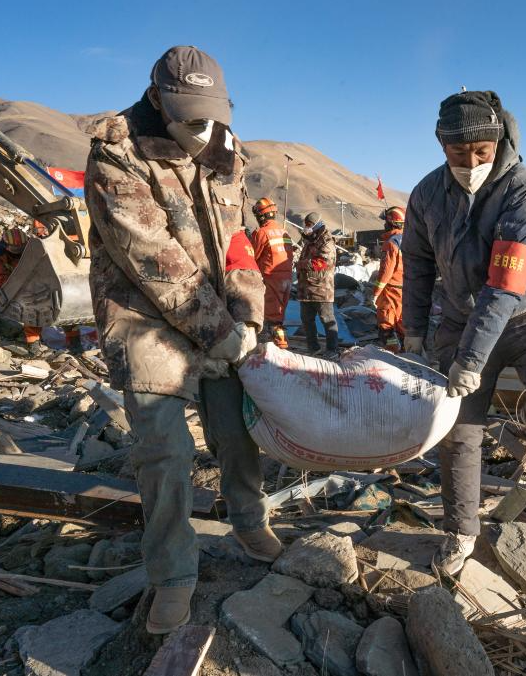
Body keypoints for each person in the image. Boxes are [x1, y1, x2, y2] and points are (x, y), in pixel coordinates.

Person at [84, 45, 282, 635]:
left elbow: (238, 243)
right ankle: (172, 573)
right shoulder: (116, 154)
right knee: (164, 452)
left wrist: (247, 315)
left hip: (218, 311)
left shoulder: (226, 149)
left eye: (211, 114)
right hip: (143, 316)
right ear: (157, 99)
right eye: (189, 116)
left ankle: (249, 520)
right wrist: (219, 332)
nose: (202, 129)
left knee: (237, 428)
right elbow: (151, 258)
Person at [402, 91, 526, 575]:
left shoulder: (523, 187)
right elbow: (417, 268)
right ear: (442, 147)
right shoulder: (425, 194)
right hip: (460, 319)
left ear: (498, 139)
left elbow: (506, 282)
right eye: (458, 154)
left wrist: (472, 360)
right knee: (459, 430)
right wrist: (415, 333)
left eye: (481, 151)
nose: (471, 162)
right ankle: (460, 531)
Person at [250, 197, 294, 349]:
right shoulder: (284, 232)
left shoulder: (261, 233)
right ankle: (277, 346)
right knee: (279, 315)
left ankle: (278, 350)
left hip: (271, 278)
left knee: (271, 316)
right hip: (287, 279)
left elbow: (252, 256)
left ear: (261, 216)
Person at [296, 212, 338, 357]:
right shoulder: (309, 240)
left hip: (321, 289)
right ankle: (313, 348)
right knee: (307, 321)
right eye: (306, 225)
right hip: (305, 289)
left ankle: (332, 350)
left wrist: (301, 264)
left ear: (317, 225)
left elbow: (323, 263)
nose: (306, 228)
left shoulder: (326, 241)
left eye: (309, 225)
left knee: (327, 320)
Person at [373, 206, 405, 352]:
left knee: (387, 324)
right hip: (406, 289)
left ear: (391, 222)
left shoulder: (391, 243)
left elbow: (386, 271)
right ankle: (408, 354)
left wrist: (376, 293)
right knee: (403, 324)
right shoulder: (409, 240)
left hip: (391, 291)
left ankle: (393, 352)